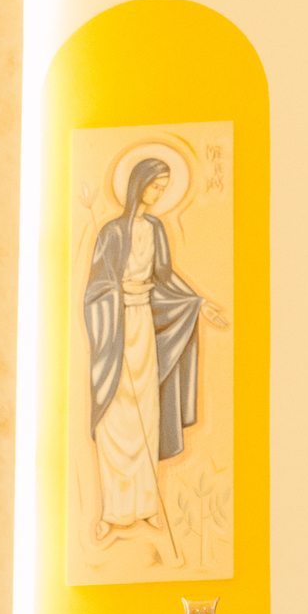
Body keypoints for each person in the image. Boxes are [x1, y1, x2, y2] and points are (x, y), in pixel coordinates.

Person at [83, 157, 227, 538]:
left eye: (164, 189)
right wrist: (117, 300)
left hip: (143, 326)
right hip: (115, 330)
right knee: (116, 418)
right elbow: (95, 288)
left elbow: (164, 278)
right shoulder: (112, 233)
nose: (158, 194)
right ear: (137, 184)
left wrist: (199, 303)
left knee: (145, 412)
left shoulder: (156, 229)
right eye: (154, 187)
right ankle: (112, 511)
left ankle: (145, 506)